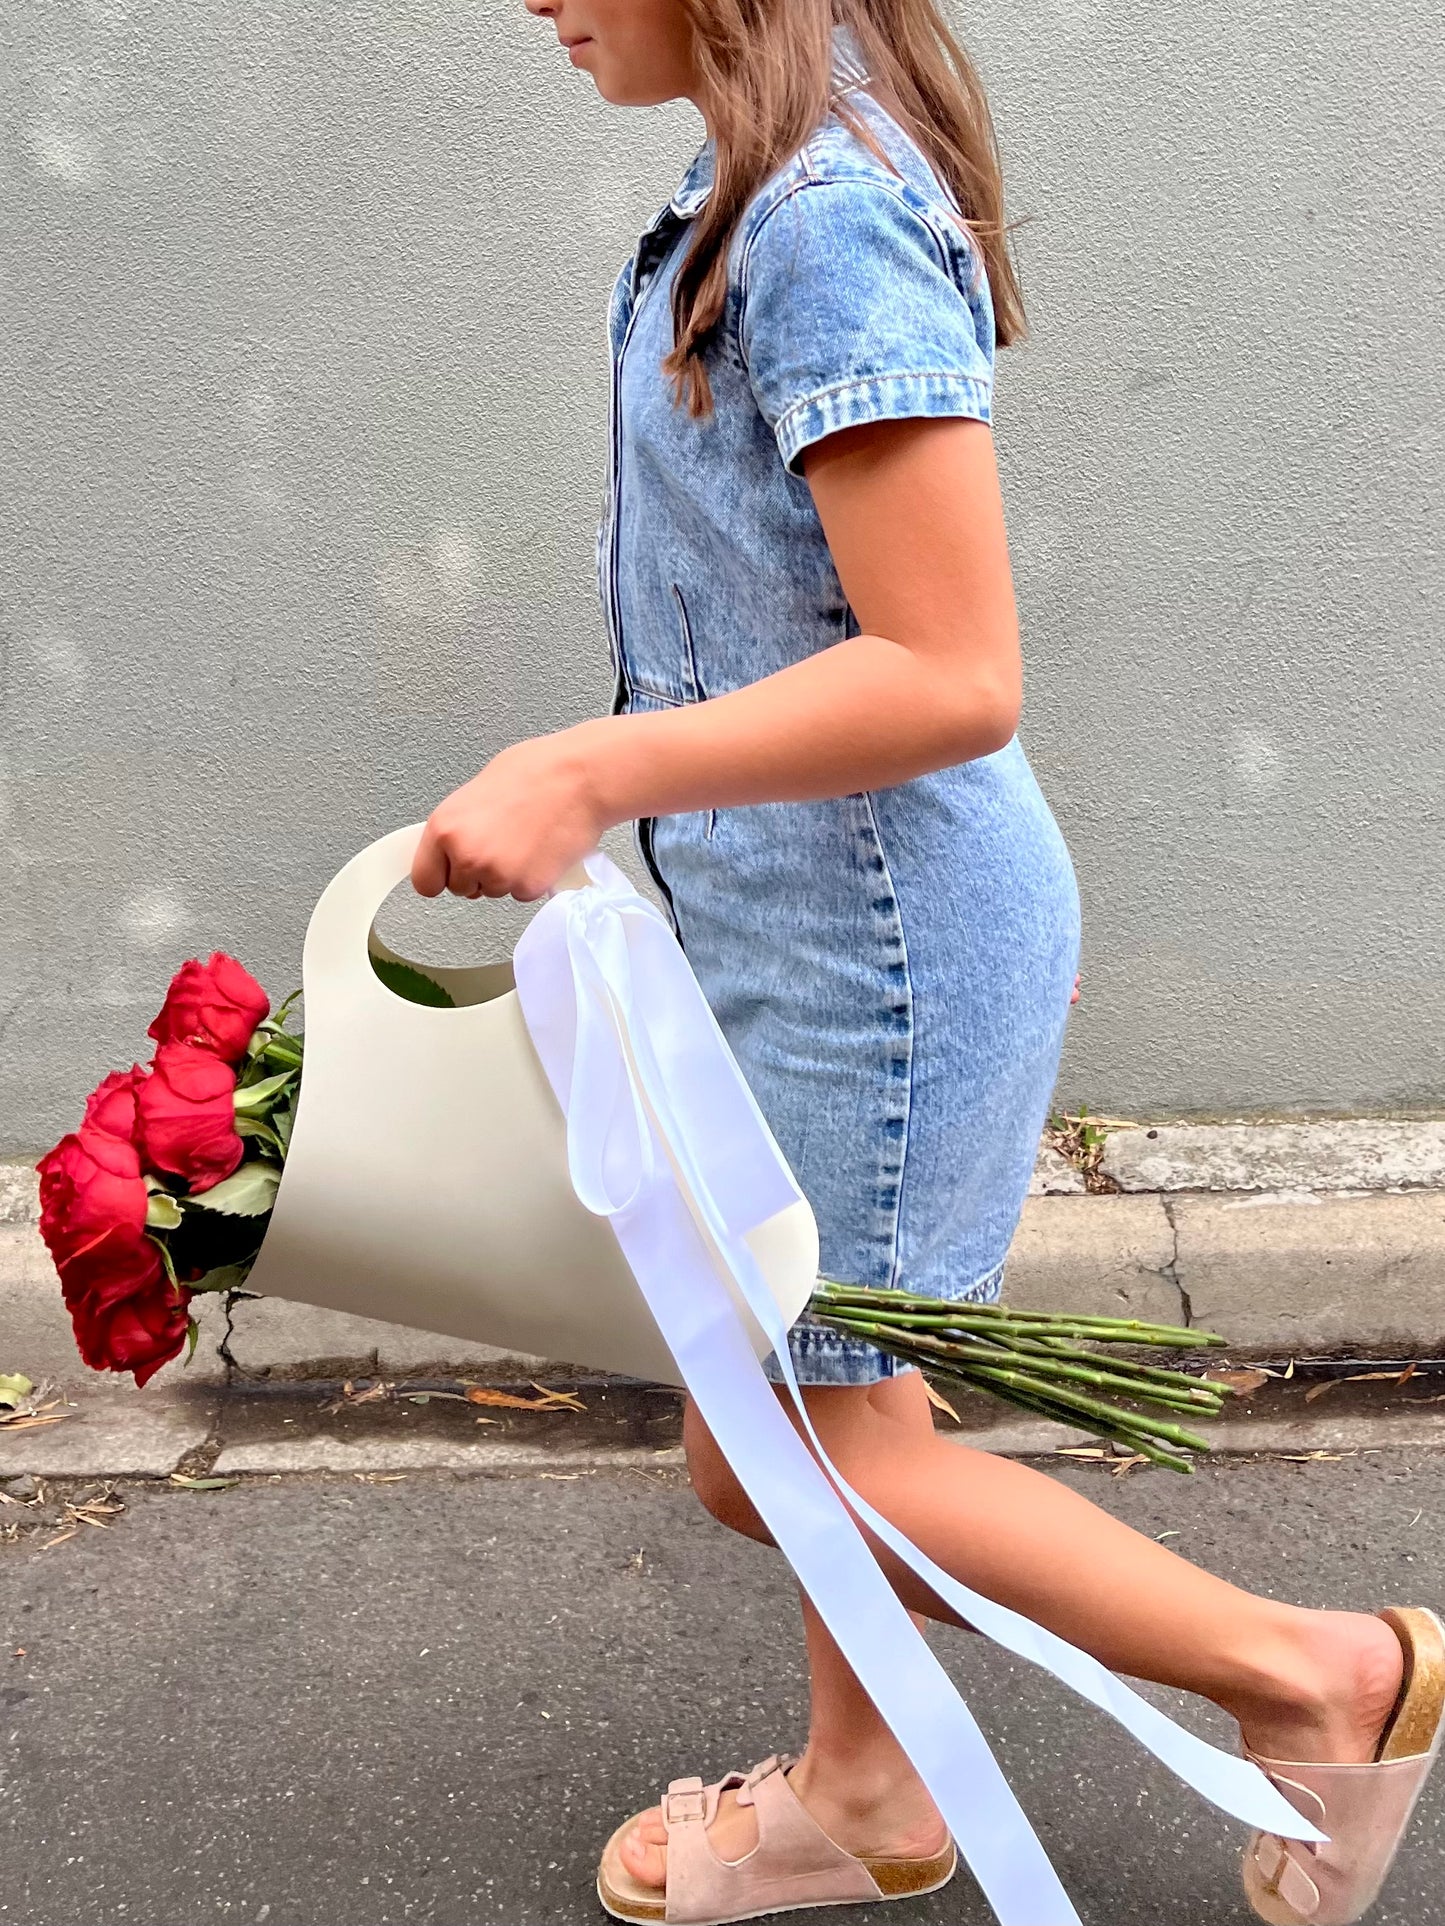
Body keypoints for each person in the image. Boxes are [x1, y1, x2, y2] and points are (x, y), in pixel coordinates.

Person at [413, 5, 1444, 1921]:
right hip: (807, 922)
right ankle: (867, 1785)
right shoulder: (749, 186)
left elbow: (953, 674)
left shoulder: (824, 213)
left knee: (778, 1453)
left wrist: (586, 763)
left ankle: (1324, 1673)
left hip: (871, 949)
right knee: (839, 1413)